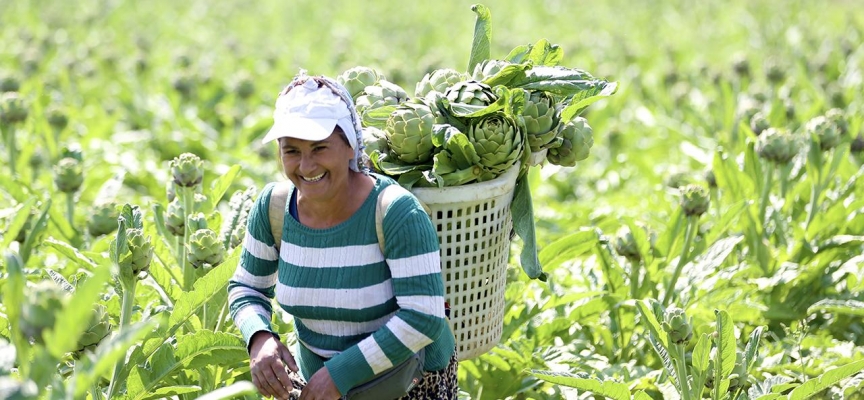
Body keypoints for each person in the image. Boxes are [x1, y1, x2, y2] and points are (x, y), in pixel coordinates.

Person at [228, 71, 458, 400]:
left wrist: (339, 375)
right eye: (291, 150)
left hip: (407, 381)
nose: (306, 166)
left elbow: (424, 317)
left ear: (349, 146)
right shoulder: (274, 208)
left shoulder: (395, 212)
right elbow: (246, 287)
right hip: (317, 380)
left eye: (319, 148)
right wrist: (260, 338)